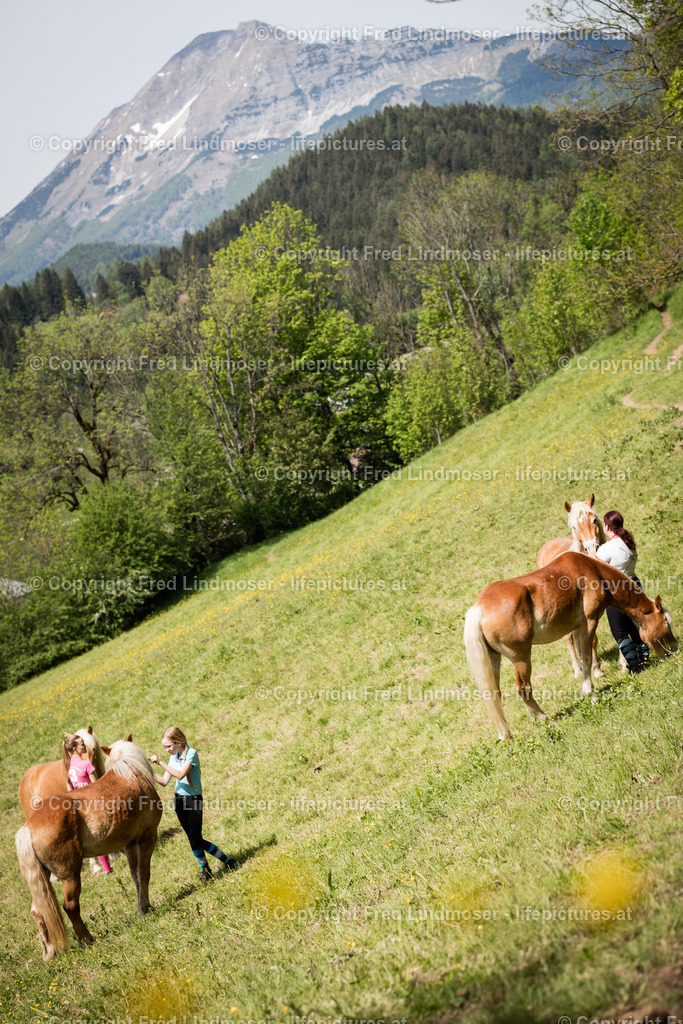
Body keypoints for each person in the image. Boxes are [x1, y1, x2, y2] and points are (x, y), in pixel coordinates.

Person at [148, 726, 237, 881]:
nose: (167, 750)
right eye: (165, 747)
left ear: (179, 741)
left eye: (169, 746)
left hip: (193, 801)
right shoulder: (173, 758)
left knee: (197, 839)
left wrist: (160, 762)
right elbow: (163, 781)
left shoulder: (192, 754)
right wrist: (146, 771)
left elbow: (181, 775)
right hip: (179, 801)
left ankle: (228, 861)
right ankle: (206, 870)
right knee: (191, 838)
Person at [596, 510, 649, 673]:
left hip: (617, 592)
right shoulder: (628, 541)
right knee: (635, 626)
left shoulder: (606, 548)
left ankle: (634, 666)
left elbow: (594, 567)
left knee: (619, 632)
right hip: (635, 585)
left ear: (606, 527)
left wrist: (592, 552)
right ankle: (645, 659)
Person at [62, 733, 112, 874]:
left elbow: (69, 793)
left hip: (80, 808)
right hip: (93, 804)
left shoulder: (67, 769)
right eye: (82, 744)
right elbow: (97, 788)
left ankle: (107, 869)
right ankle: (108, 869)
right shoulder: (86, 764)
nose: (85, 746)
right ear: (75, 749)